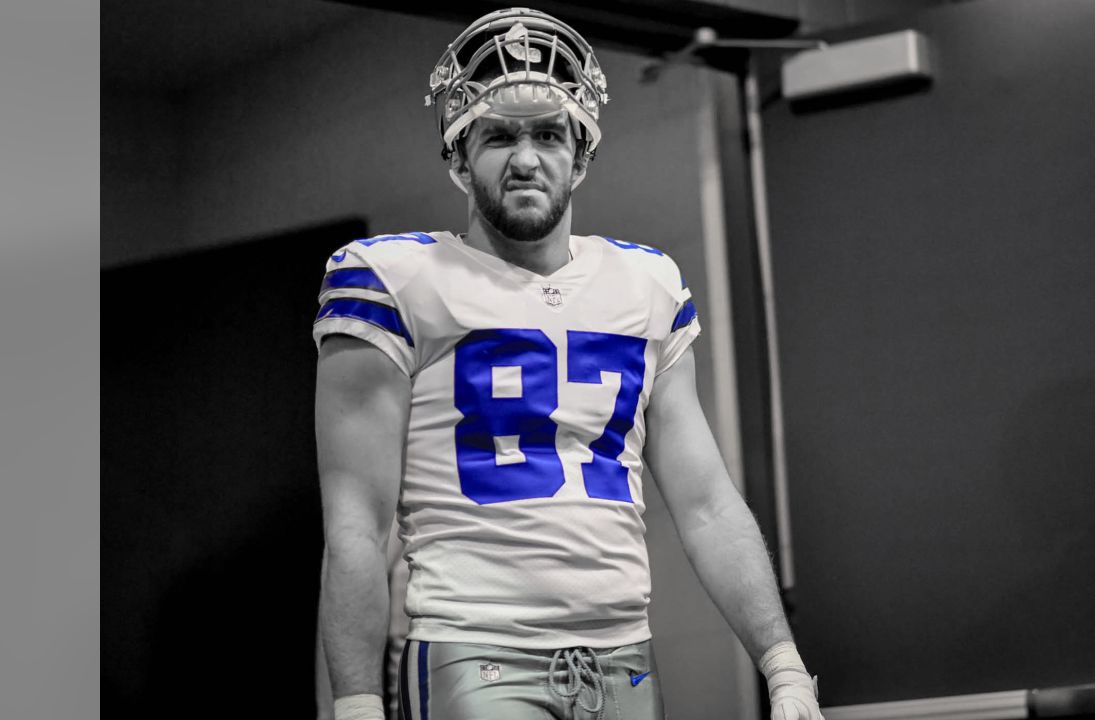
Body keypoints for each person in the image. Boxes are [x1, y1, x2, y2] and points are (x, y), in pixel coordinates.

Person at [313, 8, 823, 720]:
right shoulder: (394, 278)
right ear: (459, 156)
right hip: (474, 648)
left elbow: (706, 502)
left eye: (548, 133)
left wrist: (783, 662)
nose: (526, 158)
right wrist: (358, 704)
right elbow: (355, 525)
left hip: (625, 657)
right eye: (498, 135)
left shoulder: (645, 285)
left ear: (581, 152)